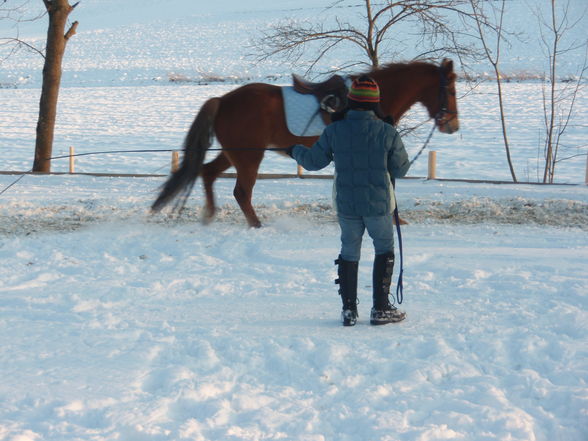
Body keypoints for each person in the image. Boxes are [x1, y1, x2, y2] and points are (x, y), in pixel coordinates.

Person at [286, 76, 410, 326]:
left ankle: (349, 311)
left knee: (349, 251)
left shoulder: (334, 130)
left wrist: (294, 150)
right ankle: (381, 308)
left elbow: (312, 162)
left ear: (350, 101)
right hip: (378, 205)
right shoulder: (387, 132)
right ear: (376, 104)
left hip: (347, 204)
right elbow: (401, 169)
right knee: (384, 249)